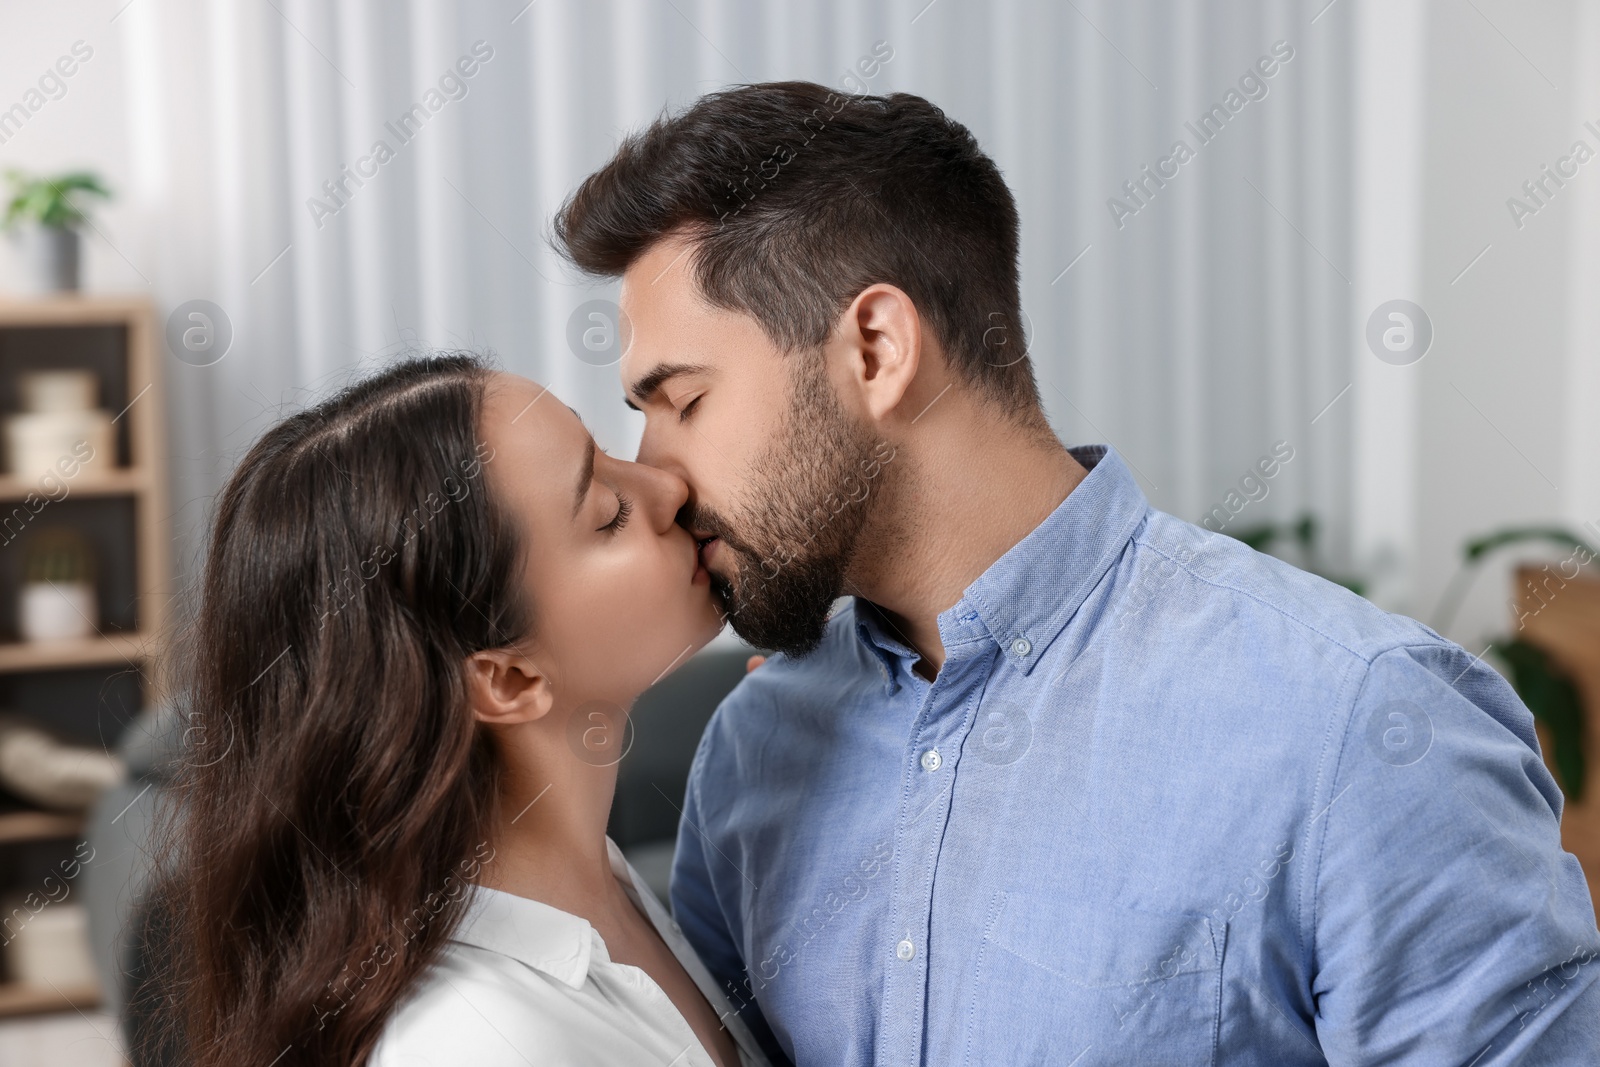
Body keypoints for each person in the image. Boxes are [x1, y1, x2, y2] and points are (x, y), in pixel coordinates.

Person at [554, 81, 1600, 1065]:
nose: (655, 477)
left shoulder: (1362, 723)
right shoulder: (755, 748)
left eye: (680, 401)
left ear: (874, 348)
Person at [149, 356, 767, 1067]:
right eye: (608, 514)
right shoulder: (483, 1042)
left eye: (606, 453)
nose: (667, 486)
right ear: (506, 677)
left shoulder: (600, 889)